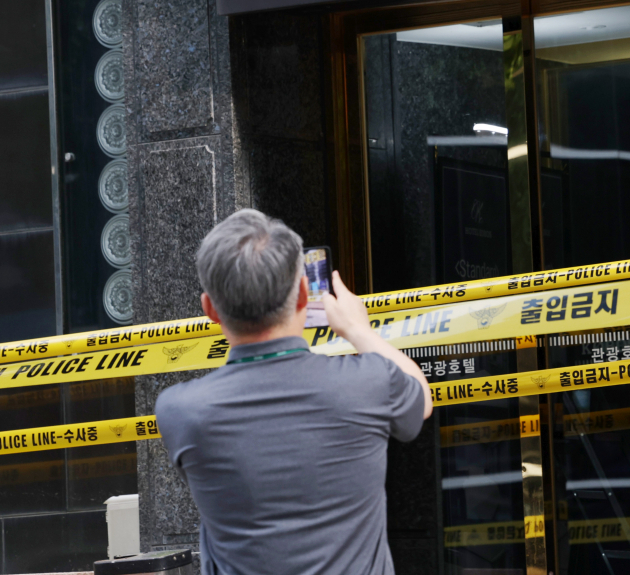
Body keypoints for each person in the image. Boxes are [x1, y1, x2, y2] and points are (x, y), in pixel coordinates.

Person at [155, 209, 433, 575]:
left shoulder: (179, 410)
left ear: (210, 309)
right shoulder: (369, 382)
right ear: (305, 292)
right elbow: (421, 398)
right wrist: (358, 329)